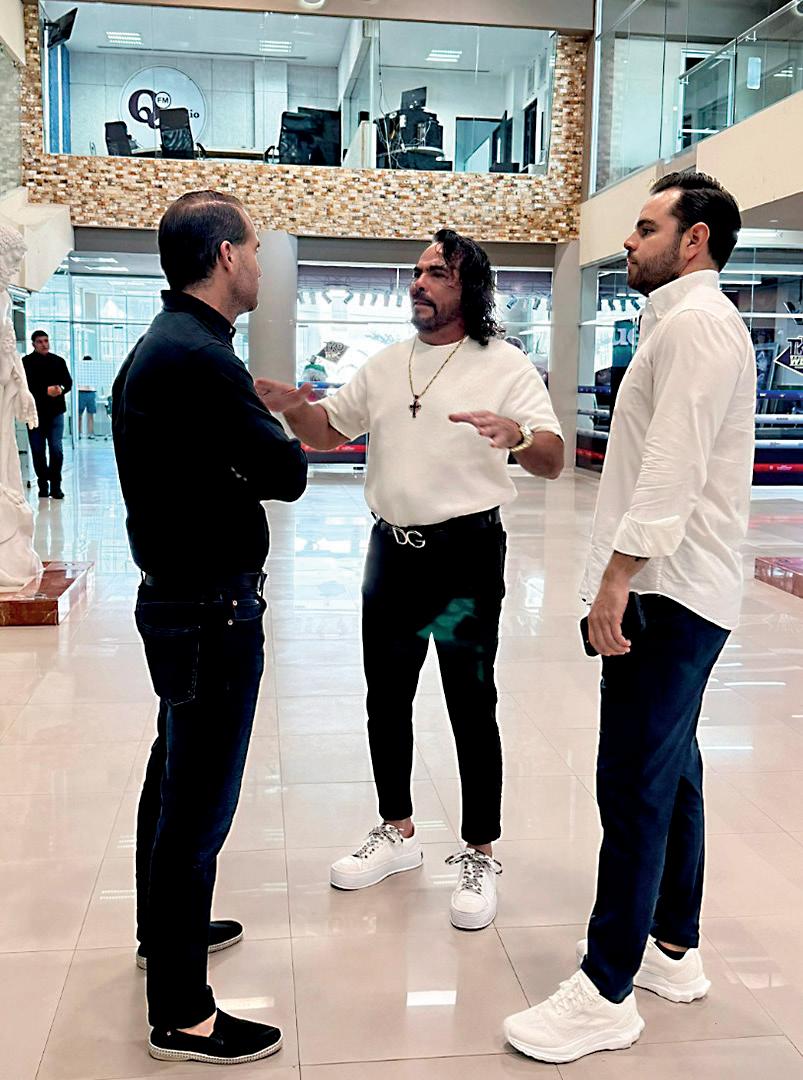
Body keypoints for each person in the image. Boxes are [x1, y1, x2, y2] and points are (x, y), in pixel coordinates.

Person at [504, 172, 756, 1063]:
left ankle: (605, 990)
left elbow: (669, 470)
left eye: (646, 228)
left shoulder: (697, 326)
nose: (628, 242)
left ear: (694, 240)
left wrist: (617, 578)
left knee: (631, 786)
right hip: (676, 587)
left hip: (668, 592)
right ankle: (673, 950)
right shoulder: (678, 322)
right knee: (671, 772)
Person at [256, 229, 564, 931]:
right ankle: (396, 830)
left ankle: (479, 851)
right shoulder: (387, 363)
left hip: (463, 561)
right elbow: (328, 432)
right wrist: (294, 405)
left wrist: (516, 435)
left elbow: (550, 457)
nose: (419, 283)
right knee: (386, 698)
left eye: (437, 273)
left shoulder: (504, 363)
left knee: (469, 701)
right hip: (391, 557)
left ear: (469, 288)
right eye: (417, 271)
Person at [112, 190, 307, 1066]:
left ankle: (163, 936)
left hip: (182, 602)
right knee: (197, 806)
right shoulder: (197, 355)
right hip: (208, 611)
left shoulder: (171, 344)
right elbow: (285, 472)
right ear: (226, 255)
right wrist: (266, 438)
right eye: (255, 249)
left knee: (173, 776)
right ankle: (182, 1015)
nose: (260, 263)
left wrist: (239, 451)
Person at [21, 330, 72, 499]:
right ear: (33, 344)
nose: (44, 344)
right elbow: (25, 387)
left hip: (56, 413)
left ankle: (56, 485)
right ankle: (43, 484)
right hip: (34, 414)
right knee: (38, 450)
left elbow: (67, 382)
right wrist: (45, 391)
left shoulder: (58, 361)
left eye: (46, 341)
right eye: (40, 342)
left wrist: (61, 389)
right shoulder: (26, 363)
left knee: (56, 449)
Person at [77, 357, 97, 438]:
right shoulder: (80, 372)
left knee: (90, 415)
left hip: (91, 393)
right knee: (79, 415)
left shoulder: (94, 372)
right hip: (81, 392)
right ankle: (78, 433)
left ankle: (90, 433)